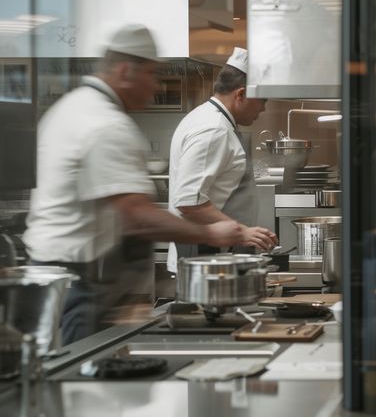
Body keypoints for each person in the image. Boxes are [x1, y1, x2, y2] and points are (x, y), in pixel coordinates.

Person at [23, 24, 244, 344]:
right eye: (153, 75)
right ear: (126, 71)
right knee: (83, 366)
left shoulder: (71, 108)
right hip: (79, 279)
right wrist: (212, 233)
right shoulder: (105, 124)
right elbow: (138, 217)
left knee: (64, 365)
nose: (157, 86)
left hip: (57, 274)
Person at [167, 47, 277, 272]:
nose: (263, 109)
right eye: (262, 101)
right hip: (204, 257)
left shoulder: (208, 117)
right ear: (241, 95)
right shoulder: (214, 129)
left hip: (212, 254)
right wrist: (241, 232)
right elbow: (189, 201)